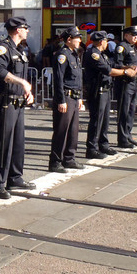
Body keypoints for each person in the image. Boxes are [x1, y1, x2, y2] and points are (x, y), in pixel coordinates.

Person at [0, 17, 36, 199]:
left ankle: (15, 177)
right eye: (25, 28)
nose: (27, 31)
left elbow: (20, 76)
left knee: (18, 143)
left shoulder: (20, 49)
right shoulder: (3, 47)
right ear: (17, 30)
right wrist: (21, 82)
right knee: (4, 144)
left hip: (18, 101)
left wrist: (26, 91)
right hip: (6, 102)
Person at [83, 30, 131, 160]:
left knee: (105, 120)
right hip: (97, 91)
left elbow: (112, 64)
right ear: (101, 42)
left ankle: (103, 144)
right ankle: (92, 148)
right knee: (96, 121)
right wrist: (125, 73)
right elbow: (107, 70)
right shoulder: (93, 54)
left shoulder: (101, 54)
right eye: (105, 41)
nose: (107, 44)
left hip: (105, 90)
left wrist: (126, 67)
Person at [48, 26, 85, 173]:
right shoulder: (62, 55)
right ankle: (55, 161)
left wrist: (81, 97)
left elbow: (78, 78)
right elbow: (58, 79)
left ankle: (69, 158)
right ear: (69, 39)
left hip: (74, 97)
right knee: (61, 130)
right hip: (66, 96)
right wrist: (61, 100)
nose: (80, 40)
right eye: (77, 38)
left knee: (73, 130)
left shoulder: (73, 54)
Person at [113, 26, 137, 148]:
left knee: (131, 110)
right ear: (126, 35)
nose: (135, 37)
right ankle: (122, 138)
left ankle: (128, 134)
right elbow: (116, 64)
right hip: (125, 82)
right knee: (124, 111)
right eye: (132, 35)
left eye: (136, 35)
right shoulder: (122, 47)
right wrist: (128, 68)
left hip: (133, 82)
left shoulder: (133, 48)